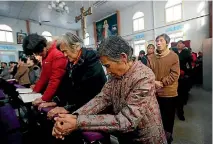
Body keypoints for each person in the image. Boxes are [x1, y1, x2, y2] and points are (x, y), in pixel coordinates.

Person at [52, 36, 167, 144]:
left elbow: (127, 120)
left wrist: (78, 122)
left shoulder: (144, 76)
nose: (107, 72)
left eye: (107, 66)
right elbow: (102, 98)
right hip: (126, 137)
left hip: (146, 138)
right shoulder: (115, 74)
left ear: (123, 57)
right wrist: (74, 116)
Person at [148, 34, 180, 143]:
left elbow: (175, 74)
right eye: (157, 41)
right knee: (157, 118)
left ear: (167, 42)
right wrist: (153, 82)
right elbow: (148, 73)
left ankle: (168, 138)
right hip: (155, 93)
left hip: (169, 93)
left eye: (161, 41)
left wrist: (161, 82)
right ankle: (159, 138)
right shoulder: (151, 57)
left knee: (168, 119)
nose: (158, 43)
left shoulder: (173, 56)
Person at [22, 33, 68, 104]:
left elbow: (55, 80)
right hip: (53, 91)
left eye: (39, 52)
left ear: (43, 46)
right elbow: (43, 77)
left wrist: (44, 98)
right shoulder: (46, 55)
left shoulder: (57, 54)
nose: (38, 55)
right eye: (36, 53)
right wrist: (35, 91)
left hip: (61, 91)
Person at [176, 40, 192, 120]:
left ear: (183, 45)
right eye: (178, 43)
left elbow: (189, 64)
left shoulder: (186, 52)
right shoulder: (173, 52)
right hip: (174, 76)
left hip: (183, 76)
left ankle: (180, 113)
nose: (179, 44)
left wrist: (187, 73)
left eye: (180, 43)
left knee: (181, 95)